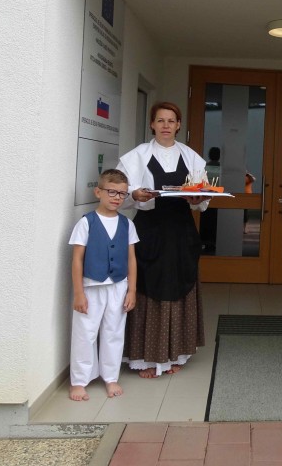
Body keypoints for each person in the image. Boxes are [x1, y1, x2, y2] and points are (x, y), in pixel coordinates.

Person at [116, 101, 208, 378]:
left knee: (179, 282)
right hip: (149, 230)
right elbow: (119, 193)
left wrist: (198, 199)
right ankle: (144, 357)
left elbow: (203, 199)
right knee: (147, 283)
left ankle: (176, 354)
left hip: (181, 231)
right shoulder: (137, 156)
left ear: (178, 125)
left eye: (171, 121)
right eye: (160, 120)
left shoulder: (192, 157)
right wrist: (134, 195)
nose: (166, 125)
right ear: (152, 124)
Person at [68, 169, 138, 401]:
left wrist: (132, 290)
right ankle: (79, 381)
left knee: (114, 332)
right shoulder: (86, 223)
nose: (117, 197)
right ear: (98, 192)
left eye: (122, 194)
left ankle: (111, 377)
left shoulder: (127, 224)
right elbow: (77, 259)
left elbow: (131, 258)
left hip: (118, 286)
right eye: (112, 192)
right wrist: (78, 293)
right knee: (85, 333)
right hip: (91, 286)